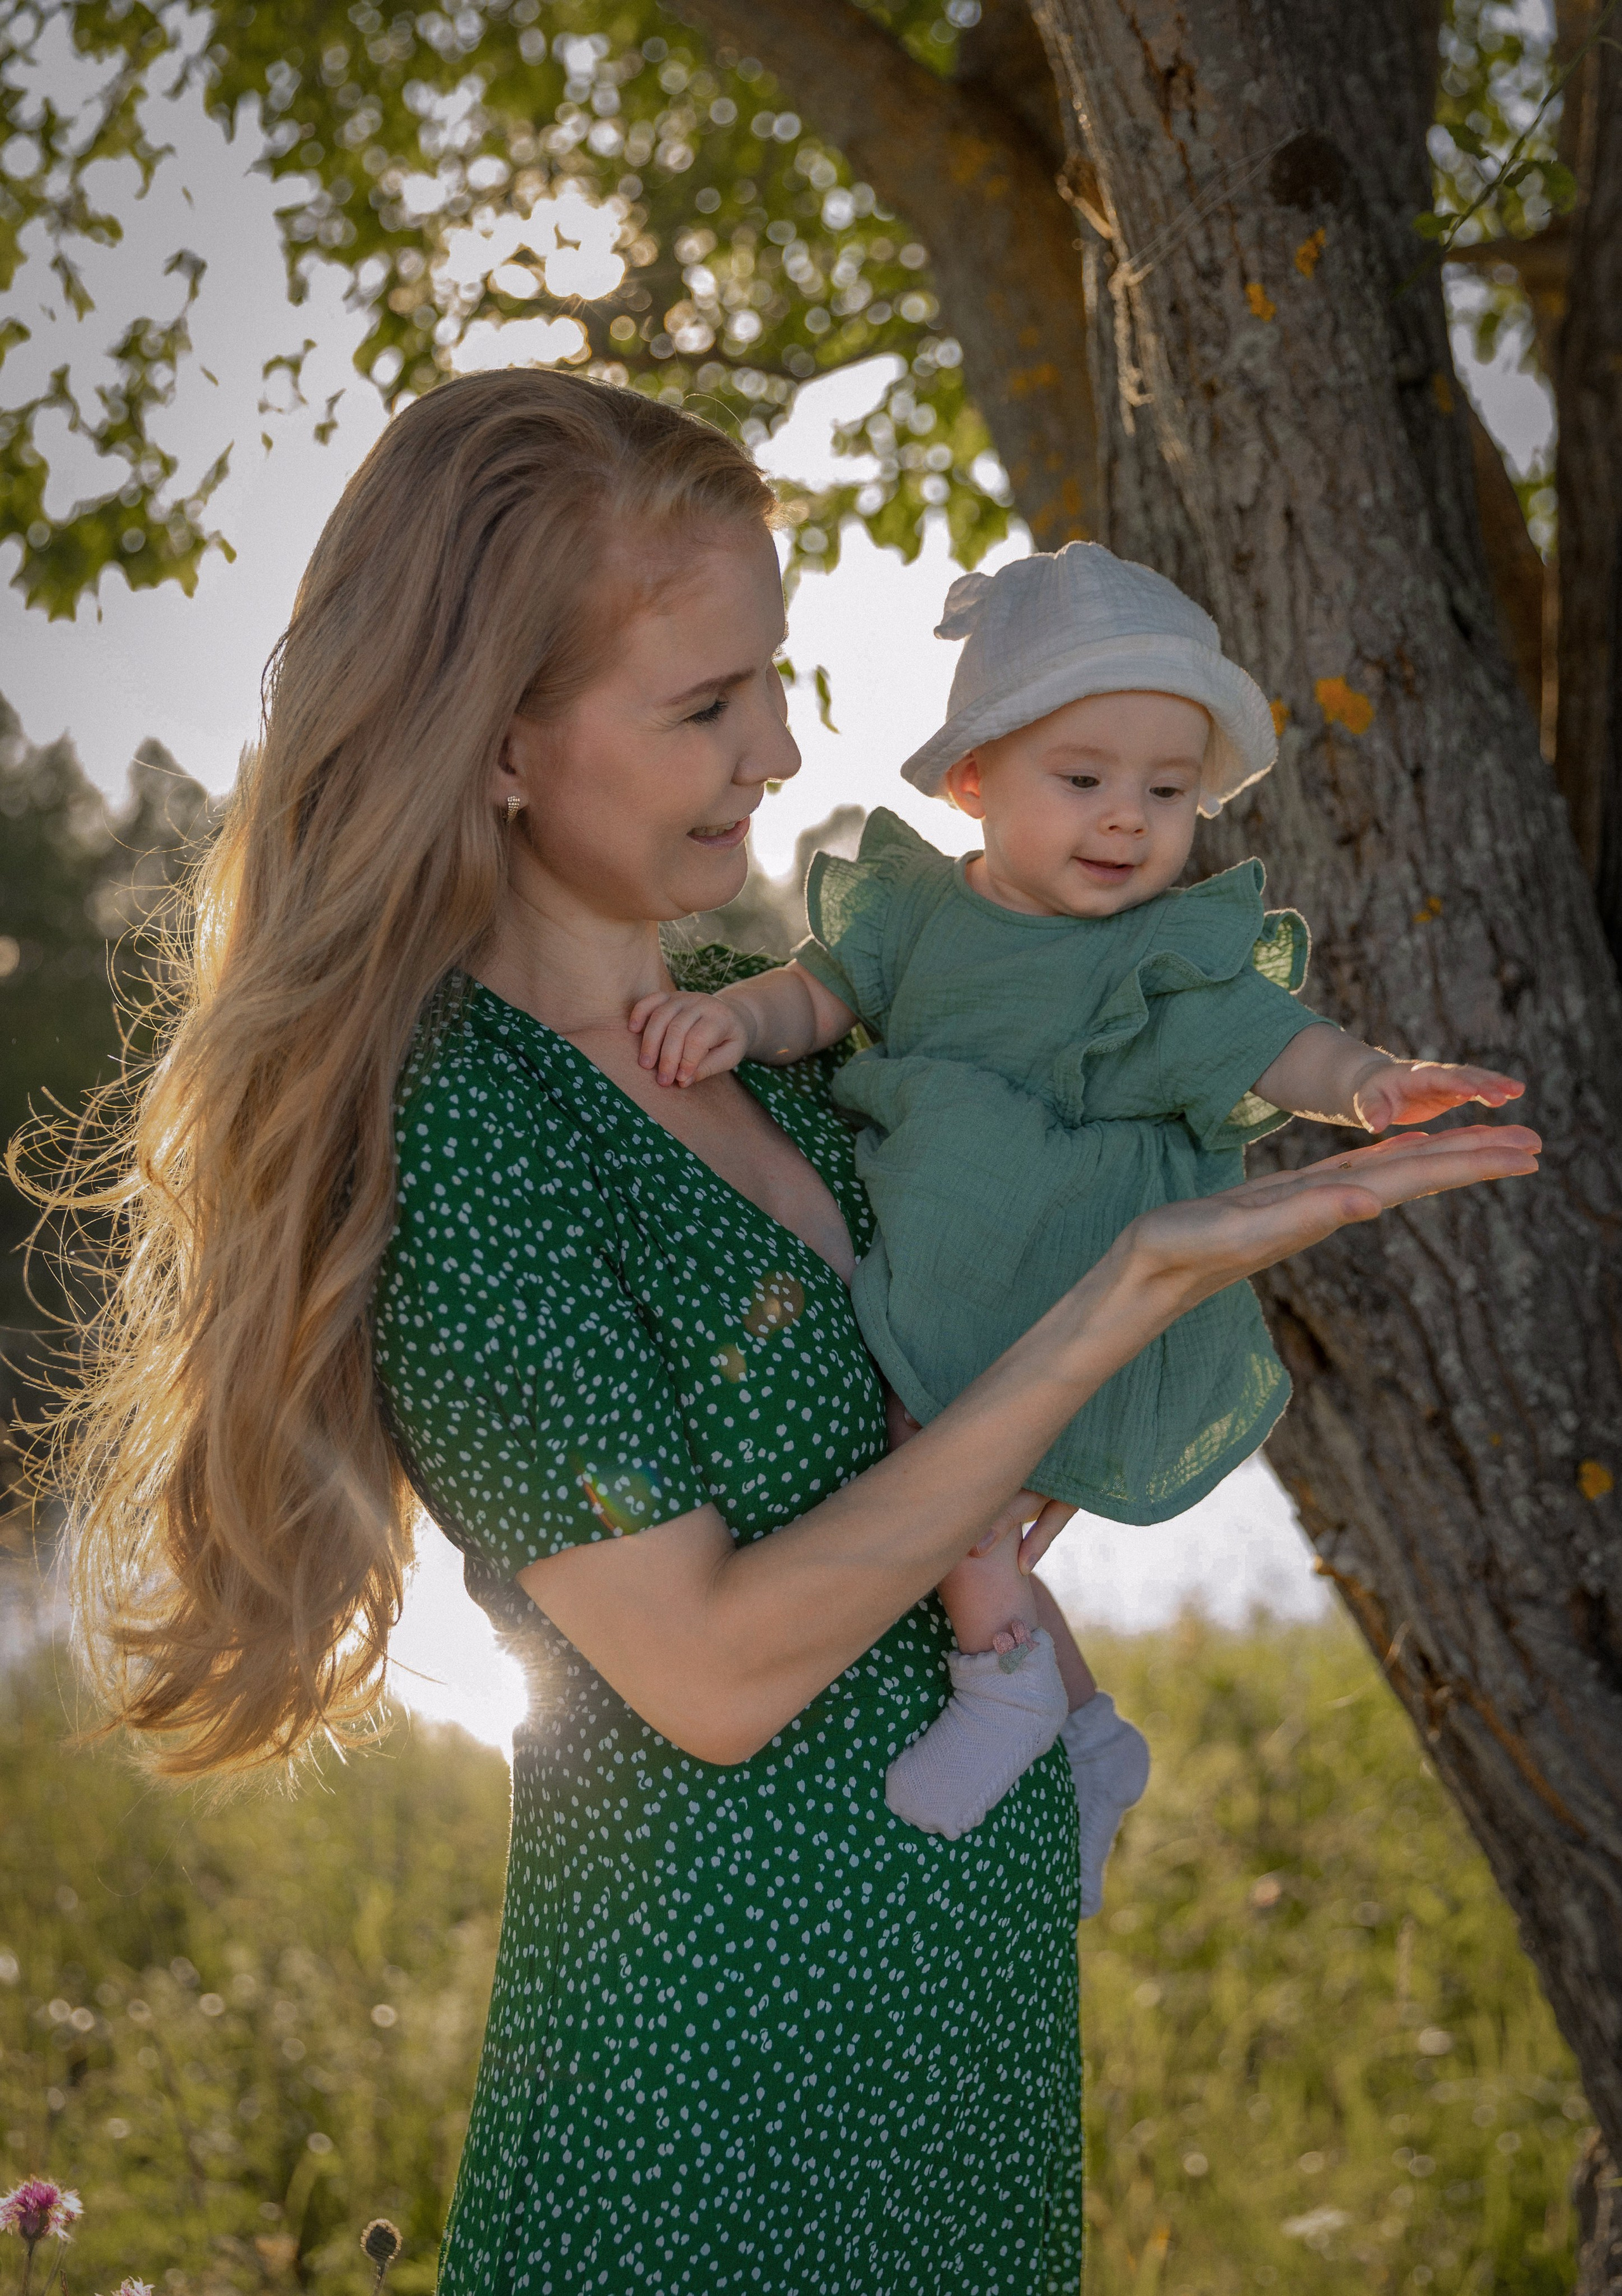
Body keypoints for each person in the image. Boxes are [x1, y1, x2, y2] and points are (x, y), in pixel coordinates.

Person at [22, 371, 1538, 2296]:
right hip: (711, 2098)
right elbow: (719, 1674)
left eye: (776, 679)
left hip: (960, 2046)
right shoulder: (471, 1132)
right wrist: (1126, 1294)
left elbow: (1016, 1325)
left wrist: (1304, 1110)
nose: (777, 749)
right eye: (703, 705)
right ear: (500, 744)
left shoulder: (788, 1029)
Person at [625, 541, 1526, 1857]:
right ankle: (1091, 1734)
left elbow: (1275, 1042)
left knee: (936, 1457)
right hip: (950, 1246)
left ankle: (1001, 1687)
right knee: (930, 1472)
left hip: (1055, 1263)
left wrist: (1373, 1087)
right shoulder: (918, 914)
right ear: (977, 777)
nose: (1126, 820)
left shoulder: (1161, 954)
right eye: (1085, 780)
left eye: (1166, 792)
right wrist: (730, 1019)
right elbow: (815, 993)